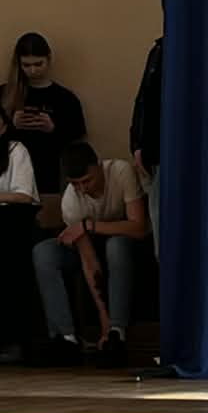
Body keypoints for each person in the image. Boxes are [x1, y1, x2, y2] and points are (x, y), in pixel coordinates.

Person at [33, 140, 149, 365]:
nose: (83, 189)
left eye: (87, 181)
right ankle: (66, 338)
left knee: (116, 246)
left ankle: (117, 332)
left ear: (99, 165)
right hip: (90, 248)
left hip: (125, 241)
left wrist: (89, 226)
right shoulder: (71, 201)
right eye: (75, 184)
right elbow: (89, 263)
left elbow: (138, 227)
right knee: (44, 252)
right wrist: (102, 321)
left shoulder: (120, 172)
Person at [3, 34, 86, 202]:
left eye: (38, 64)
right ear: (18, 63)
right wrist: (11, 125)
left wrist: (53, 128)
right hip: (9, 176)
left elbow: (77, 137)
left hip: (51, 174)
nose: (33, 70)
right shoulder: (5, 94)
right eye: (26, 65)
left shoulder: (65, 98)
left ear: (48, 59)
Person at [0, 105, 40, 363]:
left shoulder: (16, 150)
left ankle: (12, 339)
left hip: (14, 219)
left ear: (4, 125)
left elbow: (24, 195)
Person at [130, 35, 163, 254]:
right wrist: (138, 144)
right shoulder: (160, 50)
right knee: (163, 232)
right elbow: (145, 99)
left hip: (188, 154)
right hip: (157, 153)